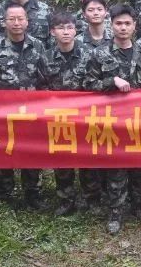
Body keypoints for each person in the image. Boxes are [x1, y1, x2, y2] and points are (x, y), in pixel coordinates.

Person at [82, 5, 141, 235]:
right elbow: (87, 84)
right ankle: (115, 212)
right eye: (118, 23)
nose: (123, 28)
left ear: (135, 26)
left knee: (138, 165)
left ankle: (137, 205)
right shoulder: (99, 54)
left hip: (139, 121)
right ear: (111, 25)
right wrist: (111, 81)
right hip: (111, 121)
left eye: (127, 23)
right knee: (116, 167)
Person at [0, 2, 50, 209]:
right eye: (11, 19)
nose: (16, 23)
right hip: (2, 112)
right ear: (3, 22)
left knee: (32, 151)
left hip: (31, 112)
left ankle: (33, 193)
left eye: (20, 19)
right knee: (4, 150)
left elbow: (45, 78)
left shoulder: (38, 46)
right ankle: (3, 193)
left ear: (27, 22)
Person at [43, 12, 100, 216]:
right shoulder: (46, 57)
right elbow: (41, 86)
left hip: (86, 116)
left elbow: (97, 83)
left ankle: (92, 199)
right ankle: (66, 199)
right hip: (59, 117)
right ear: (53, 32)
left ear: (76, 30)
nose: (65, 32)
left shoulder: (90, 54)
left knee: (88, 158)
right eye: (60, 28)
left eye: (69, 28)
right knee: (62, 159)